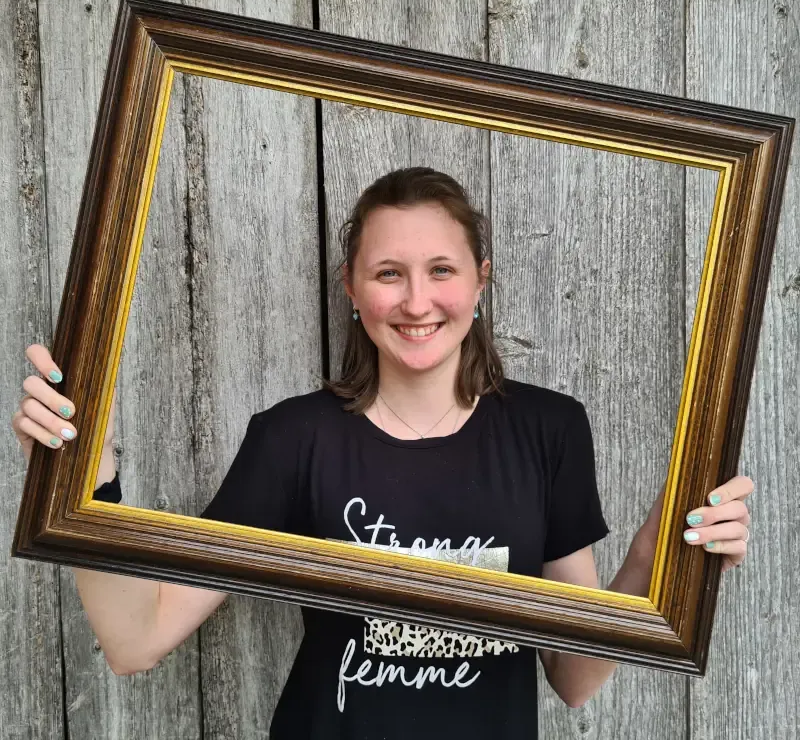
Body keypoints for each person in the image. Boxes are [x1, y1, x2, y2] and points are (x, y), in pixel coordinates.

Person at [12, 167, 753, 739]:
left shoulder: (548, 430)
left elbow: (574, 676)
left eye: (442, 270)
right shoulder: (294, 439)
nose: (417, 301)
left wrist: (655, 553)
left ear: (480, 280)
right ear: (353, 288)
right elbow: (136, 641)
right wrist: (83, 478)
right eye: (388, 273)